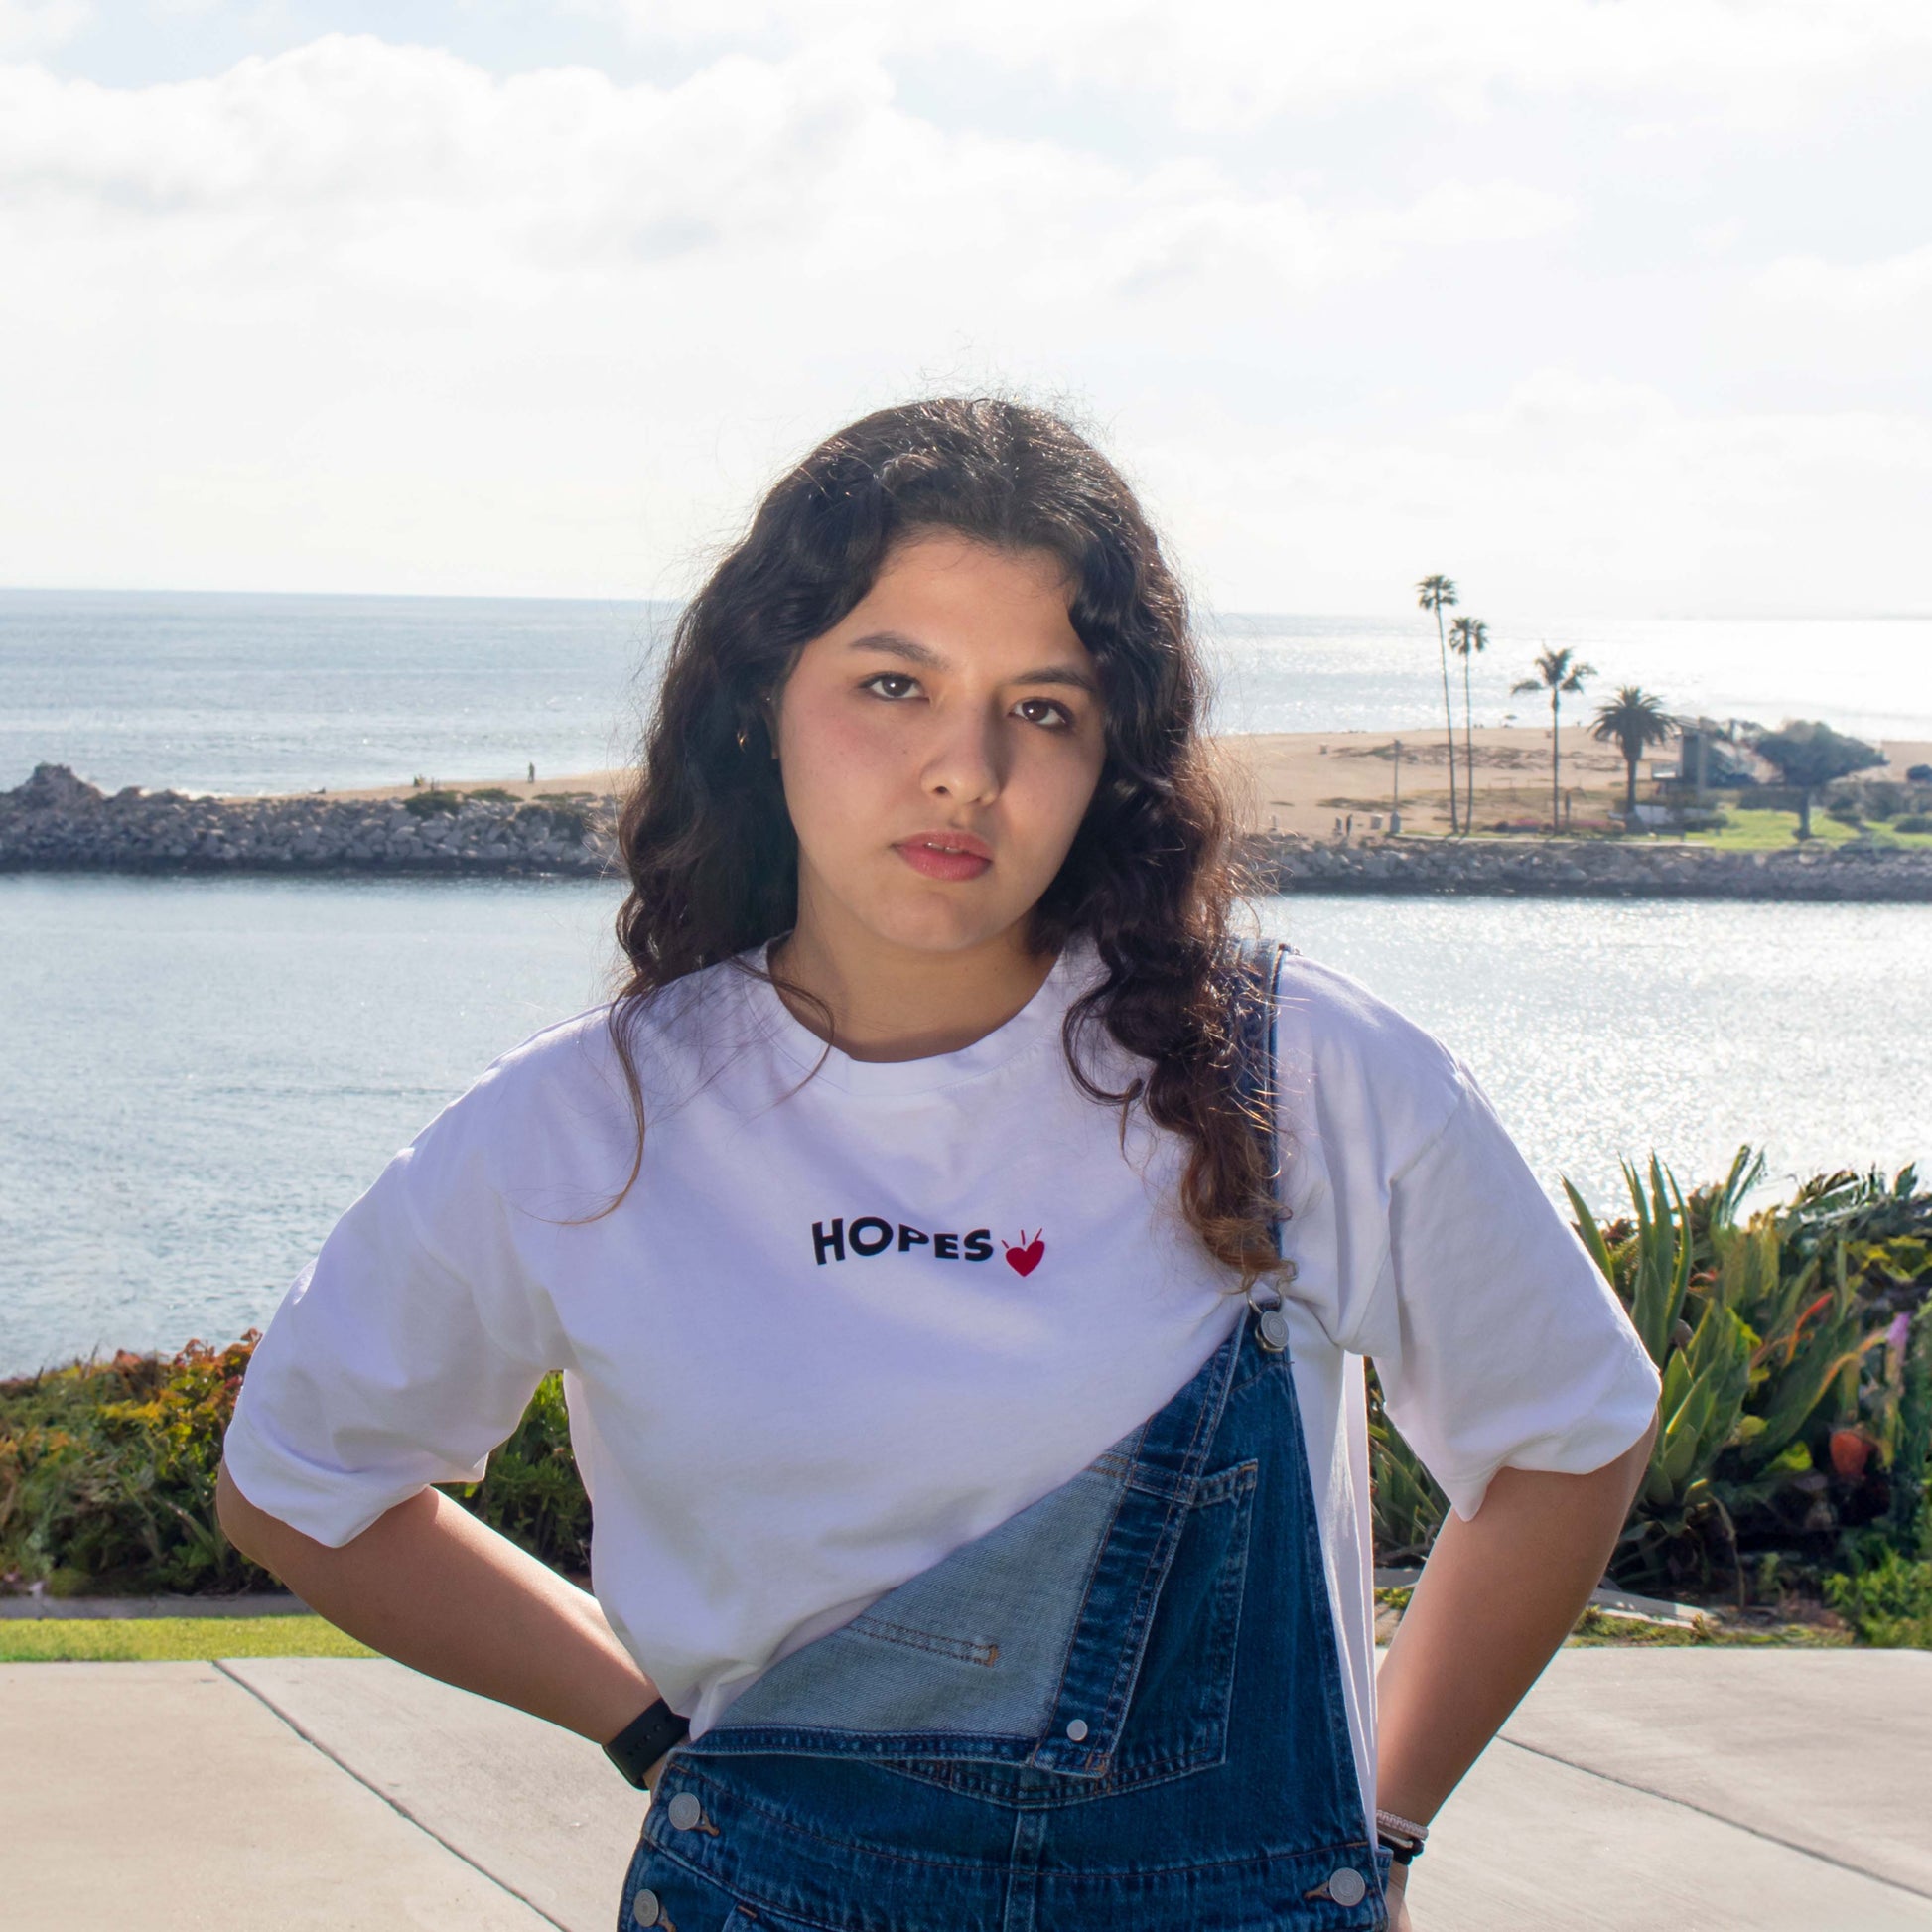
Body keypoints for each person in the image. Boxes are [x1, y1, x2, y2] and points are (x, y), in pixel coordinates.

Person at [217, 398, 1660, 1932]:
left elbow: (1570, 1429)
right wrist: (648, 1728)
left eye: (1041, 707)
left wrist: (1369, 1817)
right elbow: (300, 1481)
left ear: (1112, 756)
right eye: (892, 684)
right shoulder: (591, 1124)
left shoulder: (1298, 1073)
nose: (963, 769)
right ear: (761, 700)